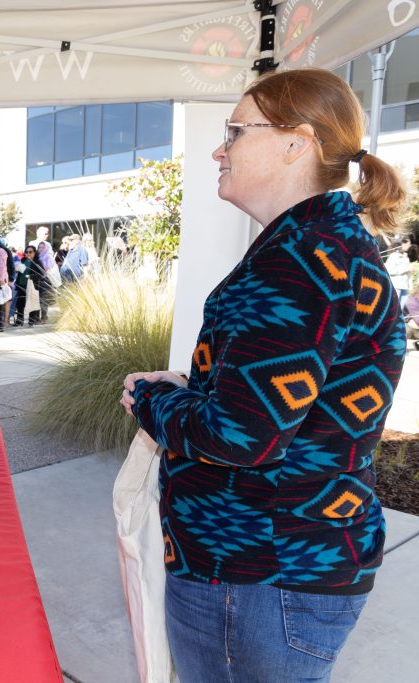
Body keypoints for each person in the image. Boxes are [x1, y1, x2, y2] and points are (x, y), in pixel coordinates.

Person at [120, 68, 407, 683]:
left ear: (294, 142)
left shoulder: (299, 262)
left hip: (256, 569)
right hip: (280, 565)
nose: (220, 149)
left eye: (235, 131)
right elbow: (281, 400)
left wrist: (147, 400)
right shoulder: (321, 248)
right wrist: (191, 388)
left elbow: (239, 438)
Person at [12, 245, 43, 327]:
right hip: (21, 284)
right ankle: (19, 321)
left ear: (34, 253)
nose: (28, 253)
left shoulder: (37, 262)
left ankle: (31, 321)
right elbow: (18, 271)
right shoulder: (22, 260)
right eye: (26, 252)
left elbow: (41, 273)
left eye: (30, 252)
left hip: (32, 285)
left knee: (31, 303)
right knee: (20, 304)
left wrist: (32, 276)